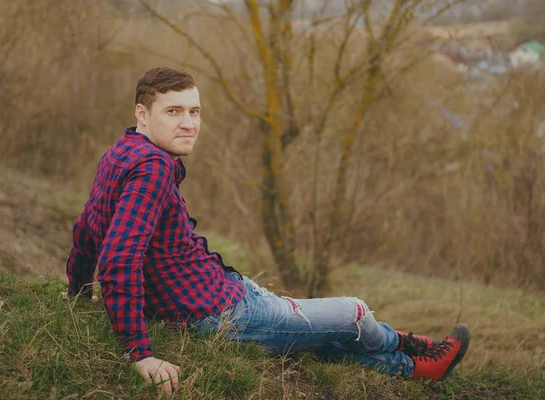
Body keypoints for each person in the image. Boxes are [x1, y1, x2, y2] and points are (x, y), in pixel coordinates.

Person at [66, 67, 470, 395]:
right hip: (220, 315)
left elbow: (88, 228)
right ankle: (405, 344)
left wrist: (78, 290)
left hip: (223, 291)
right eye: (173, 112)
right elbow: (119, 259)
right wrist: (140, 354)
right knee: (354, 312)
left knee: (321, 343)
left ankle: (416, 367)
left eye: (195, 111)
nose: (189, 123)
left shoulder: (122, 150)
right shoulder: (152, 168)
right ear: (142, 114)